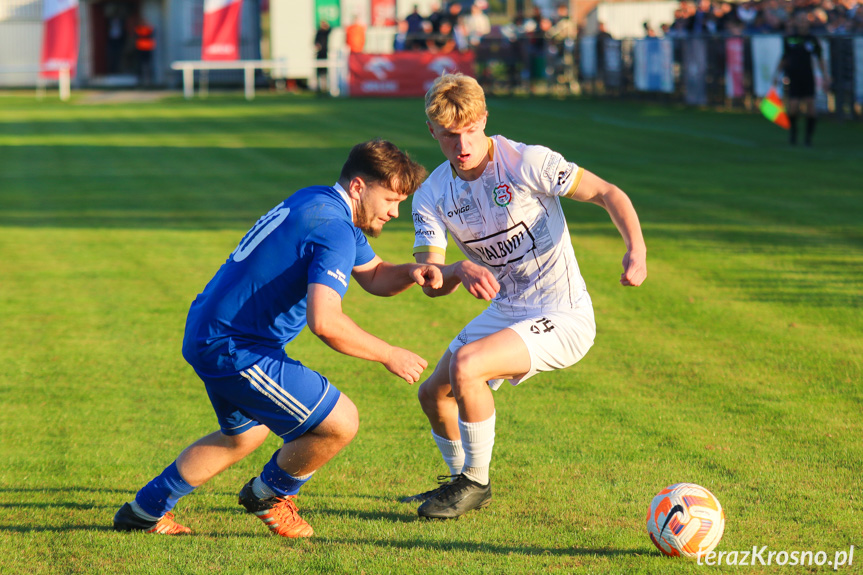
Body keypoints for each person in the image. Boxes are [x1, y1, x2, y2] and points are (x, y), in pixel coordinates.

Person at [113, 139, 441, 537]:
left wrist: (411, 272)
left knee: (243, 436)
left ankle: (142, 512)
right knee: (339, 422)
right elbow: (326, 321)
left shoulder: (319, 202)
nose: (395, 211)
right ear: (358, 186)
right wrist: (388, 353)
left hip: (209, 329)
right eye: (390, 198)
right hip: (236, 346)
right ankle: (268, 495)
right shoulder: (334, 229)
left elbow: (374, 275)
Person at [405, 73, 647, 519]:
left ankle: (476, 481)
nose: (462, 145)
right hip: (507, 310)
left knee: (468, 365)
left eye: (471, 131)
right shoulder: (432, 195)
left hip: (564, 313)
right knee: (433, 395)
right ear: (432, 132)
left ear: (484, 120)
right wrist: (455, 270)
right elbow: (432, 279)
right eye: (449, 136)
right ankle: (463, 481)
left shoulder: (526, 162)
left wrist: (637, 250)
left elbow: (609, 193)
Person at [775, 12, 830, 146]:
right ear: (796, 23)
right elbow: (784, 58)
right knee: (793, 108)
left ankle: (808, 138)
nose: (802, 24)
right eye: (800, 21)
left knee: (811, 108)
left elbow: (820, 58)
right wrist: (776, 75)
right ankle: (793, 134)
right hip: (794, 76)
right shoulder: (790, 39)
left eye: (805, 21)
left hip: (807, 76)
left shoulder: (812, 40)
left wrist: (825, 77)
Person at [134, 18, 155, 86]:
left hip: (147, 48)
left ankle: (148, 80)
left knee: (147, 64)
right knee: (141, 64)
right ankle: (141, 79)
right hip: (141, 48)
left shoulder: (147, 29)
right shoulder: (139, 29)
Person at [314, 20, 331, 92]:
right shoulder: (318, 32)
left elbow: (330, 29)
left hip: (324, 53)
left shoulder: (325, 33)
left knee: (324, 72)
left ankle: (325, 87)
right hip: (319, 54)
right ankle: (319, 87)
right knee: (318, 71)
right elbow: (315, 42)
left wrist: (326, 24)